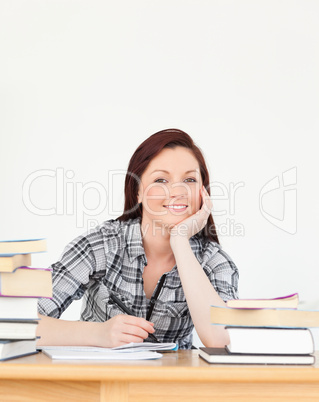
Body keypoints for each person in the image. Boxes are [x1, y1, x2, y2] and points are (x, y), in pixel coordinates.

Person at [37, 128, 239, 349]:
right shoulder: (100, 245)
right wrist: (98, 334)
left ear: (202, 192)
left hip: (171, 382)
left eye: (189, 179)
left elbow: (223, 341)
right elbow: (18, 325)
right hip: (99, 380)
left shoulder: (215, 262)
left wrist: (180, 241)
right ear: (138, 192)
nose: (178, 190)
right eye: (161, 179)